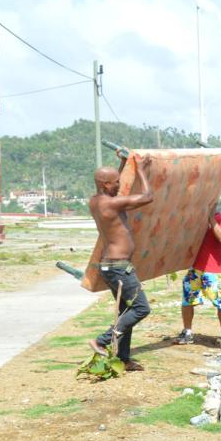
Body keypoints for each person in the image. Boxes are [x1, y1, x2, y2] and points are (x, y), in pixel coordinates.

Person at [87, 155, 154, 371]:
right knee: (141, 309)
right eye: (116, 181)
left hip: (111, 266)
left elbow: (115, 190)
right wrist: (142, 171)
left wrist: (124, 166)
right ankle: (101, 340)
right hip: (118, 267)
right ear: (105, 184)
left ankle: (124, 360)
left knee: (127, 312)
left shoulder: (96, 201)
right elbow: (147, 196)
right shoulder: (112, 203)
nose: (119, 184)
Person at [174, 200, 221, 348]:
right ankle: (187, 332)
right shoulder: (195, 220)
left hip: (216, 270)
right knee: (187, 300)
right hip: (196, 269)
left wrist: (210, 217)